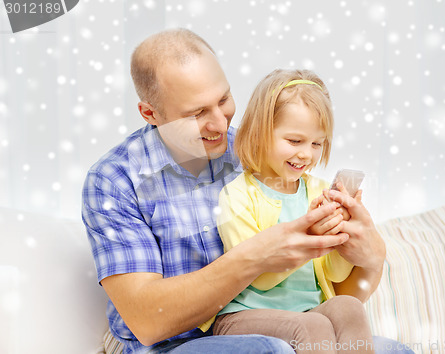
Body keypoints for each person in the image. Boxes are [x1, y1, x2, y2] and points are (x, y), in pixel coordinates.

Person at [82, 28, 413, 354]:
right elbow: (148, 322)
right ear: (150, 113)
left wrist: (367, 258)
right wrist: (256, 257)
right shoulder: (115, 181)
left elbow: (329, 294)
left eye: (223, 99)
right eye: (196, 114)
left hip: (290, 325)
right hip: (175, 346)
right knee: (273, 350)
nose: (220, 124)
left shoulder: (259, 151)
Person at [211, 69, 374, 354]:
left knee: (348, 306)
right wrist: (309, 239)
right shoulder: (237, 196)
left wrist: (340, 237)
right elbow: (258, 277)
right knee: (312, 325)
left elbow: (334, 275)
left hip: (309, 309)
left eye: (316, 144)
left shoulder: (318, 192)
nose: (306, 154)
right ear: (260, 134)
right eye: (295, 141)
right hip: (243, 315)